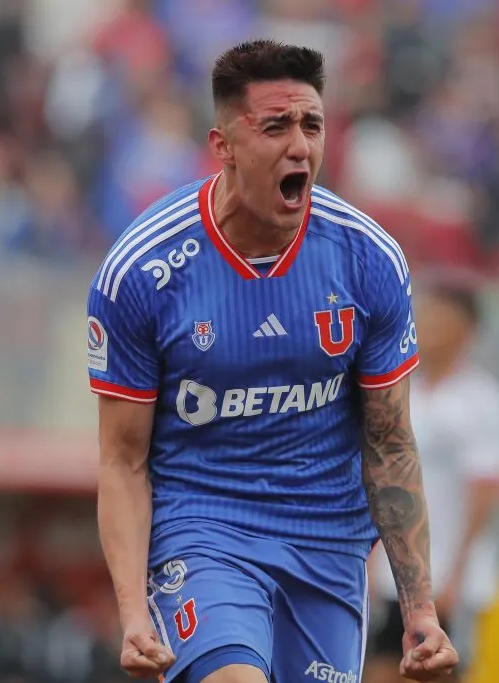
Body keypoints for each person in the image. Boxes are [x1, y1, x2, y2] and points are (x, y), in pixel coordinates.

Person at [86, 40, 457, 683]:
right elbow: (123, 460)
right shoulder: (143, 270)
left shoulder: (368, 259)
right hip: (203, 529)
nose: (300, 146)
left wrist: (418, 607)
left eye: (312, 125)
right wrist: (132, 613)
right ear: (223, 143)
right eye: (276, 126)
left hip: (327, 544)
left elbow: (391, 442)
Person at [365, 273, 499, 683]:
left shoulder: (482, 403)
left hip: (447, 575)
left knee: (435, 672)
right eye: (425, 315)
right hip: (391, 575)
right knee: (377, 669)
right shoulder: (398, 390)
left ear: (467, 329)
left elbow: (485, 495)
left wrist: (456, 574)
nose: (427, 325)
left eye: (439, 317)